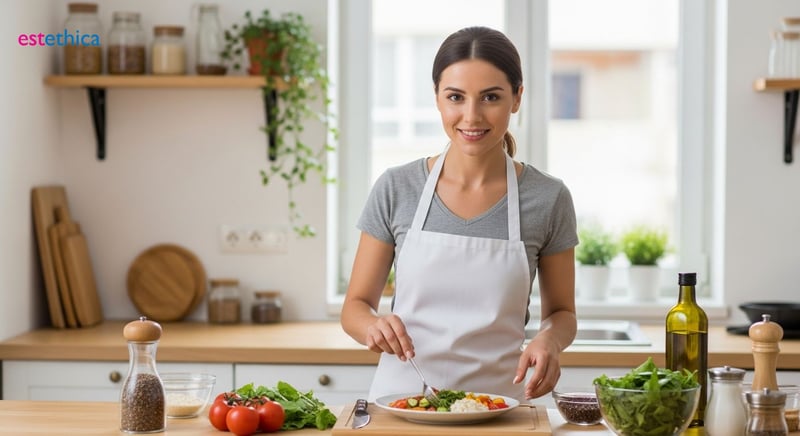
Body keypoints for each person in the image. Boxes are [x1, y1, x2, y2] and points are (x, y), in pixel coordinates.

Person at [340, 26, 578, 402]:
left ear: (517, 98)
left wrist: (550, 339)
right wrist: (372, 325)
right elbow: (354, 307)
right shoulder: (396, 188)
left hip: (501, 405)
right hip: (403, 404)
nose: (471, 116)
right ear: (437, 97)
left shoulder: (548, 198)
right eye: (456, 97)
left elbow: (563, 312)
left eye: (490, 97)